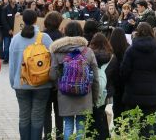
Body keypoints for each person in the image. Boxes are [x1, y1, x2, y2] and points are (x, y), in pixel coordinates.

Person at [49, 21, 99, 140]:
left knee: (68, 125)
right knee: (81, 126)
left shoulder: (57, 51)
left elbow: (52, 75)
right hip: (84, 95)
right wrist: (95, 98)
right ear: (81, 33)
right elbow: (96, 78)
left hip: (65, 94)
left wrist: (61, 85)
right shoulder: (88, 51)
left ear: (65, 33)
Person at [9, 10, 54, 140]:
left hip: (21, 84)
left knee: (23, 117)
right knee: (37, 117)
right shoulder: (44, 38)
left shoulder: (15, 39)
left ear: (23, 20)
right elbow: (53, 59)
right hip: (42, 84)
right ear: (36, 20)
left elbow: (12, 65)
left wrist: (14, 83)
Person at [121, 23, 156, 137]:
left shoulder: (130, 50)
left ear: (137, 32)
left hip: (133, 94)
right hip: (152, 94)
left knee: (134, 126)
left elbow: (124, 72)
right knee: (149, 126)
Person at [41, 11, 64, 140]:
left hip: (44, 76)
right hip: (58, 79)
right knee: (59, 110)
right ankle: (60, 135)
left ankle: (48, 135)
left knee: (46, 110)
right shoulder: (61, 37)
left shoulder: (41, 36)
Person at [88, 32, 114, 140]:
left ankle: (90, 135)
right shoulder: (111, 56)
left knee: (91, 115)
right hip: (105, 91)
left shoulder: (89, 55)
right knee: (102, 114)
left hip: (91, 90)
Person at [108, 27, 129, 120]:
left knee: (116, 104)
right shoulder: (128, 48)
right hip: (125, 81)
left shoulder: (109, 49)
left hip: (114, 82)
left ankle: (117, 125)